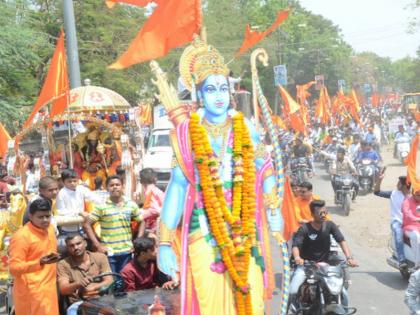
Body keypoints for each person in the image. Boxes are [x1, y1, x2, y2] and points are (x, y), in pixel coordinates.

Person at [157, 36, 283, 315]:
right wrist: (164, 243)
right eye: (210, 89)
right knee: (209, 304)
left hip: (244, 228)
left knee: (249, 298)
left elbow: (265, 168)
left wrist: (273, 204)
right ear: (199, 94)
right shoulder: (187, 133)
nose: (218, 96)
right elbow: (177, 187)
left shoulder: (246, 127)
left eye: (223, 89)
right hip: (204, 230)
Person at [289, 200, 358, 310]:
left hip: (324, 266)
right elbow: (296, 245)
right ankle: (295, 310)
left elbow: (341, 240)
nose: (323, 215)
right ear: (312, 214)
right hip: (306, 266)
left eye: (325, 212)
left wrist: (349, 258)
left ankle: (344, 310)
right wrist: (297, 258)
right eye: (320, 213)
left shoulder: (330, 225)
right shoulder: (305, 229)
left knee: (342, 292)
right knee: (293, 290)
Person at [9, 198, 60, 315]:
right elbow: (14, 269)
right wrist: (39, 263)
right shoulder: (22, 237)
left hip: (49, 290)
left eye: (48, 216)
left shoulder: (50, 229)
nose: (45, 220)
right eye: (40, 217)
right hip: (32, 293)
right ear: (31, 217)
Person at [84, 175, 143, 273]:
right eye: (111, 185)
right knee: (111, 282)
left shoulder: (131, 205)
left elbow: (141, 221)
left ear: (122, 187)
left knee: (125, 281)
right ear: (107, 188)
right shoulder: (101, 206)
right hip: (109, 253)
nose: (115, 187)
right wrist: (98, 245)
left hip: (127, 251)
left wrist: (138, 242)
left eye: (117, 185)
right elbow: (87, 225)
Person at [57, 234, 113, 315]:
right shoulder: (63, 264)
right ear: (68, 248)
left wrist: (93, 287)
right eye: (71, 246)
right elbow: (63, 289)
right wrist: (79, 284)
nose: (76, 248)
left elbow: (109, 281)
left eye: (78, 243)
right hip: (78, 303)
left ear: (85, 243)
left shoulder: (100, 257)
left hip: (102, 300)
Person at [374, 172, 411, 267]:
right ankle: (402, 260)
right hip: (397, 221)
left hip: (411, 223)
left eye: (399, 183)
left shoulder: (414, 196)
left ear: (404, 186)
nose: (396, 184)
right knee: (399, 233)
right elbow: (377, 192)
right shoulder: (393, 193)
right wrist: (379, 180)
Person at [56, 169, 99, 234]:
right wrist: (78, 212)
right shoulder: (61, 193)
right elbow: (61, 211)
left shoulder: (81, 189)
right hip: (68, 227)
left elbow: (93, 197)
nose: (72, 183)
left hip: (81, 226)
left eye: (74, 181)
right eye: (69, 181)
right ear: (63, 182)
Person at [137, 168, 164, 236]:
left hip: (155, 228)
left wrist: (141, 213)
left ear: (141, 181)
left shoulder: (151, 192)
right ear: (155, 179)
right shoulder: (157, 191)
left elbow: (156, 210)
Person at [402, 188, 420, 267]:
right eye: (418, 195)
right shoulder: (407, 202)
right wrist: (416, 219)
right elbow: (407, 214)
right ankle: (417, 263)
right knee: (416, 236)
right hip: (410, 227)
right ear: (413, 194)